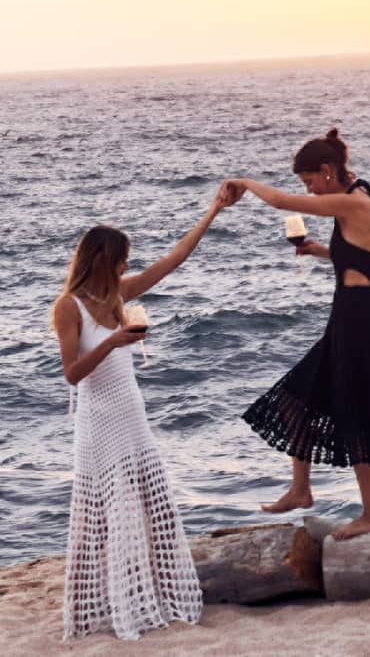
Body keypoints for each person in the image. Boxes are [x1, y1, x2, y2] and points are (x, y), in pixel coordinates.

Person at [51, 184, 239, 640]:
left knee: (150, 508)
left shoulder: (119, 295)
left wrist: (213, 210)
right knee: (103, 515)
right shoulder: (68, 307)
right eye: (122, 258)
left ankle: (149, 592)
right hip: (99, 424)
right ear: (100, 258)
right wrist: (114, 341)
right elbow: (72, 374)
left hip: (133, 417)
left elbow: (174, 260)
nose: (127, 265)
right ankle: (96, 607)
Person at [226, 128, 370, 540]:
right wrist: (322, 252)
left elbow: (280, 201)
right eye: (305, 185)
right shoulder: (357, 202)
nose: (309, 190)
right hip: (350, 316)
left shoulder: (353, 202)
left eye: (310, 181)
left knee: (359, 415)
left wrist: (244, 182)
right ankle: (301, 489)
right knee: (298, 398)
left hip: (363, 322)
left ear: (328, 171)